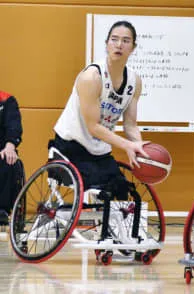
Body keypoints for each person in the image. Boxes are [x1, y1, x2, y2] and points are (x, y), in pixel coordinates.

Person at [52, 20, 148, 200]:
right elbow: (93, 127)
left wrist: (140, 150)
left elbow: (130, 125)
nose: (119, 45)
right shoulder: (92, 77)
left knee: (122, 190)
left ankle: (108, 229)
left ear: (133, 47)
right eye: (114, 39)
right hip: (71, 145)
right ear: (107, 44)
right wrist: (127, 145)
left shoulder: (134, 82)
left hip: (98, 149)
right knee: (103, 189)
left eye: (126, 41)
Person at [0, 91, 23, 225]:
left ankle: (2, 209)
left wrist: (10, 146)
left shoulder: (7, 100)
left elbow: (13, 126)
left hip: (1, 150)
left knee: (8, 160)